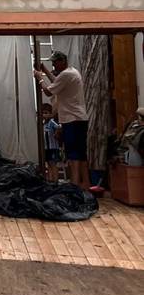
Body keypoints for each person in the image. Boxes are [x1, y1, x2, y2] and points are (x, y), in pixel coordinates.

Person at [34, 51, 91, 191]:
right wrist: (44, 69)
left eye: (55, 62)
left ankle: (75, 186)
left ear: (62, 61)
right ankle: (86, 184)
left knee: (73, 154)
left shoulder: (66, 75)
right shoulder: (72, 72)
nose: (53, 64)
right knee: (81, 153)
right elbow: (57, 82)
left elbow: (48, 91)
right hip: (79, 118)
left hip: (72, 119)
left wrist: (39, 78)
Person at [41, 103, 62, 183]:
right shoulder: (43, 124)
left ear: (50, 113)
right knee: (48, 164)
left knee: (53, 164)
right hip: (46, 148)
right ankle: (50, 180)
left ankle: (56, 181)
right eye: (43, 113)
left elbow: (59, 127)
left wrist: (56, 133)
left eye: (46, 113)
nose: (44, 115)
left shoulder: (52, 122)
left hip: (53, 147)